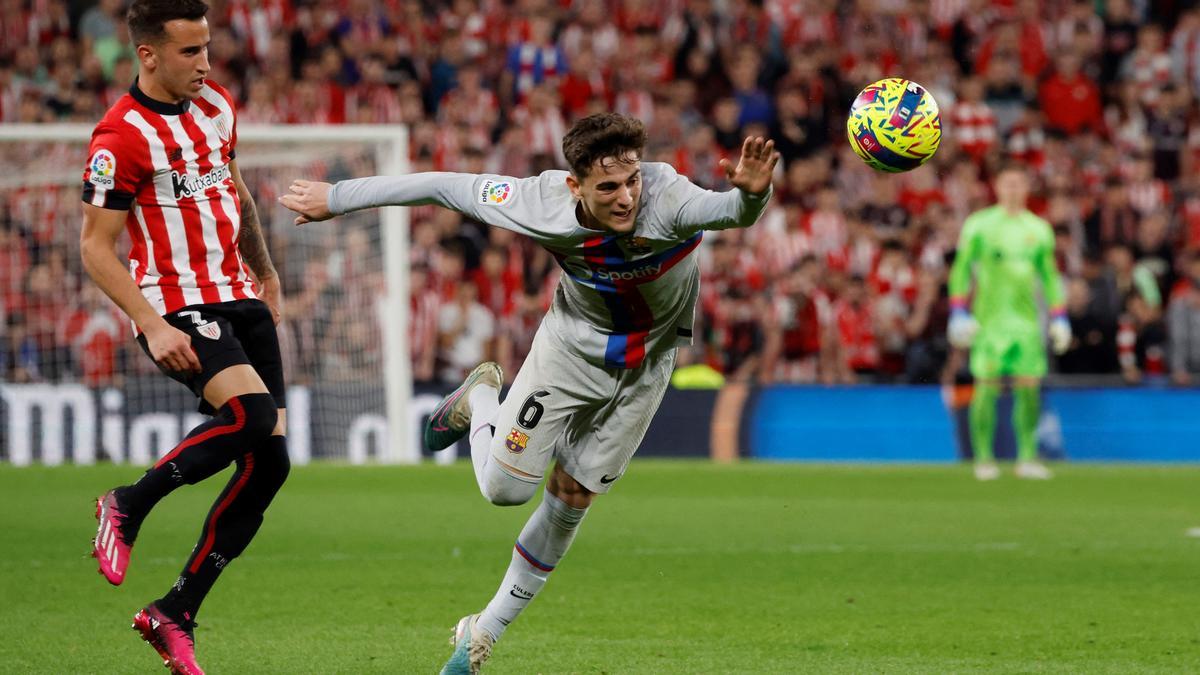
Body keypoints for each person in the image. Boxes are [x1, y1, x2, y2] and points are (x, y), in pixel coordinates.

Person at [280, 112, 776, 674]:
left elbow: (730, 210)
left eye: (632, 179)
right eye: (608, 187)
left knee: (574, 497)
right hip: (567, 352)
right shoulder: (539, 203)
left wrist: (754, 197)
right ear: (575, 186)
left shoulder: (669, 198)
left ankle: (480, 635)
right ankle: (480, 401)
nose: (626, 197)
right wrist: (339, 196)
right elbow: (445, 186)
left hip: (648, 365)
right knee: (503, 492)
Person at [82, 2, 288, 673]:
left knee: (271, 462)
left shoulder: (217, 105)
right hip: (178, 303)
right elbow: (96, 247)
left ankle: (175, 610)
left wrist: (264, 269)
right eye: (189, 52)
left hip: (240, 295)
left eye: (207, 48)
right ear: (147, 55)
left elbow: (233, 187)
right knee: (251, 415)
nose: (205, 63)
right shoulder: (119, 138)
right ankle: (128, 502)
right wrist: (149, 322)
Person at [948, 163, 1070, 481]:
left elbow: (1050, 276)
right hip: (989, 323)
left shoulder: (1039, 229)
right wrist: (958, 310)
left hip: (1027, 323)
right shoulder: (980, 225)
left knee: (1029, 392)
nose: (1014, 189)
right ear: (997, 187)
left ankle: (1026, 457)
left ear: (1027, 188)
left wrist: (1059, 316)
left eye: (1019, 184)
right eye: (1008, 183)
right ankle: (984, 459)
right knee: (985, 391)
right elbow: (961, 269)